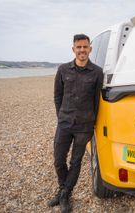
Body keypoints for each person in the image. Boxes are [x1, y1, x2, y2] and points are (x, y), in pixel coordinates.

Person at [48, 34, 103, 213]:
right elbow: (57, 95)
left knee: (75, 162)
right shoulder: (63, 70)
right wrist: (61, 116)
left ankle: (64, 195)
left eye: (85, 47)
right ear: (73, 49)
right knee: (58, 160)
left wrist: (92, 122)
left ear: (90, 49)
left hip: (84, 125)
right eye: (78, 47)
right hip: (64, 123)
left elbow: (97, 101)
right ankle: (64, 190)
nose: (82, 50)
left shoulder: (96, 72)